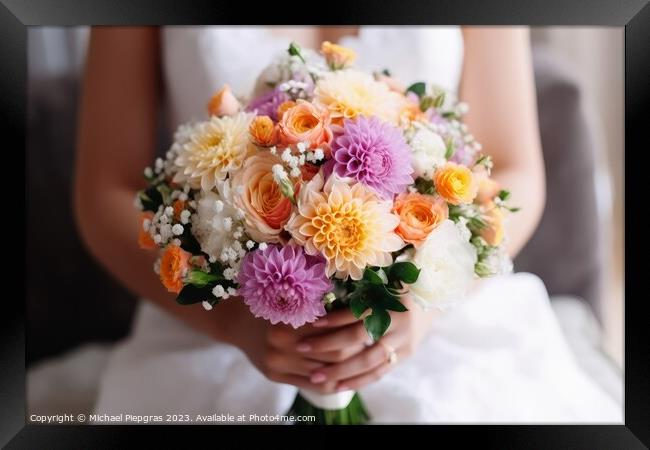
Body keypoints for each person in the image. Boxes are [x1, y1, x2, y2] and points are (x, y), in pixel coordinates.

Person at [75, 26, 619, 422]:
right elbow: (105, 191)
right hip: (214, 329)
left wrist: (423, 303)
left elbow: (514, 169)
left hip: (443, 324)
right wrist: (232, 324)